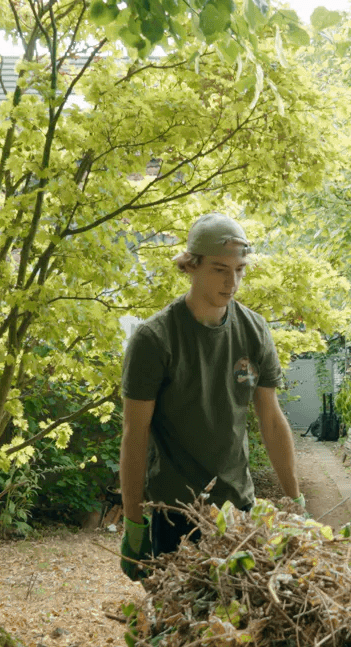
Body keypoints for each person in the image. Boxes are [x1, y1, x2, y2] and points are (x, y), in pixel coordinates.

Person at [119, 212, 302, 580]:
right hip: (176, 515)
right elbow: (134, 435)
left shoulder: (254, 330)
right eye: (220, 269)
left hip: (238, 510)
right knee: (180, 629)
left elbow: (270, 418)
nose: (231, 281)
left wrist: (295, 501)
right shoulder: (155, 340)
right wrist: (134, 521)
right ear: (191, 265)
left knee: (240, 627)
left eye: (239, 269)